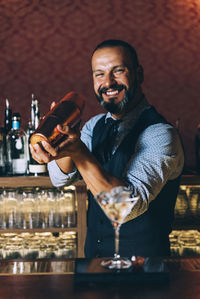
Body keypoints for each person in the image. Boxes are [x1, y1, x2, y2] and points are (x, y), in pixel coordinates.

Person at [30, 39, 184, 258]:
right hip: (95, 262)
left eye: (118, 71)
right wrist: (58, 141)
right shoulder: (94, 125)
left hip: (146, 272)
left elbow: (125, 208)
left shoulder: (160, 134)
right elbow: (60, 179)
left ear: (138, 74)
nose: (108, 82)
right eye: (99, 74)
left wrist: (78, 151)